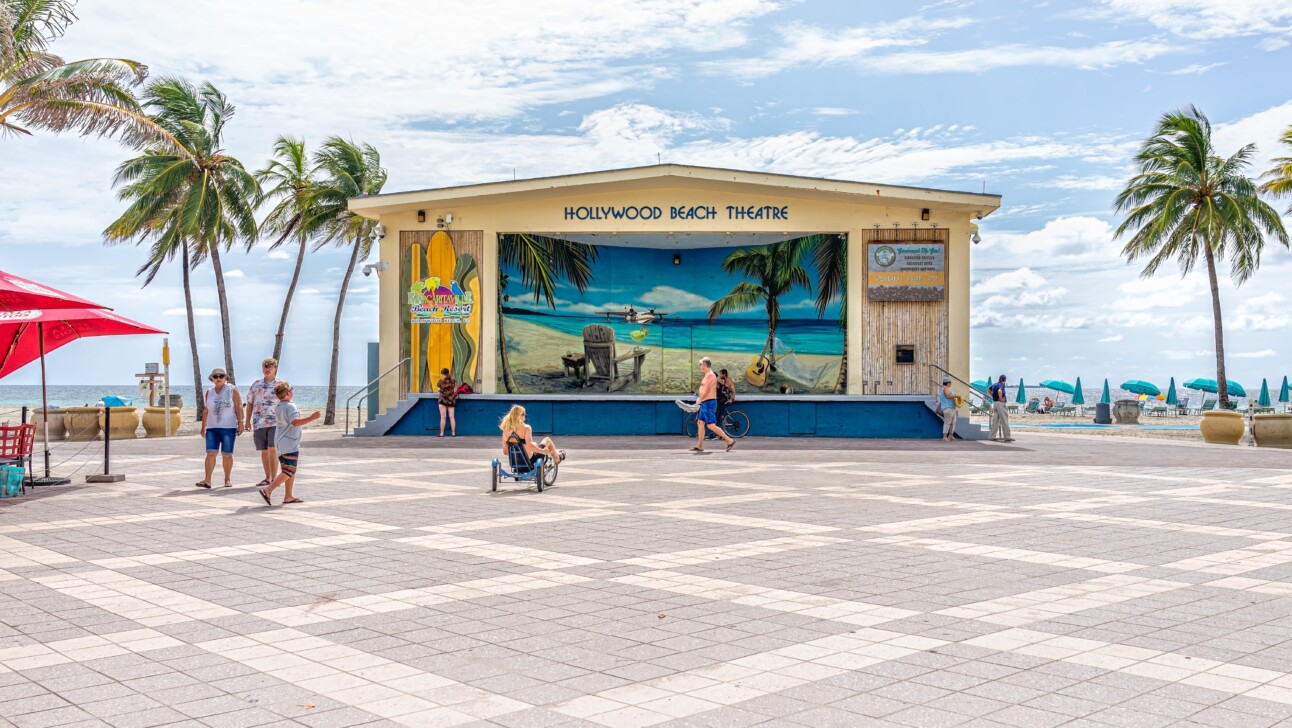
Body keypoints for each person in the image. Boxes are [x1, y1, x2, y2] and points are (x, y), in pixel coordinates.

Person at [258, 381, 320, 506]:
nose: (292, 390)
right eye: (291, 389)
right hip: (288, 443)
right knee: (289, 470)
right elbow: (295, 422)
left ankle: (288, 496)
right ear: (288, 393)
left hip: (281, 442)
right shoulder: (290, 406)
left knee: (288, 470)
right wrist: (312, 418)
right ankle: (268, 490)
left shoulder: (279, 405)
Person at [197, 367, 243, 488]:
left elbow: (238, 406)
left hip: (229, 427)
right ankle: (207, 480)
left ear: (225, 378)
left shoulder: (232, 390)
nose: (218, 378)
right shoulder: (209, 392)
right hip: (212, 428)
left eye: (221, 376)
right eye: (215, 376)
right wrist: (203, 427)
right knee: (211, 453)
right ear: (212, 379)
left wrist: (241, 422)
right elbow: (206, 410)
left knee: (227, 455)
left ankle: (227, 479)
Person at [244, 358, 280, 487]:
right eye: (265, 367)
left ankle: (274, 478)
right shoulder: (256, 384)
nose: (267, 369)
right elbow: (250, 403)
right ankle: (267, 478)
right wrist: (247, 421)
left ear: (275, 369)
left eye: (270, 367)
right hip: (259, 422)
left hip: (276, 422)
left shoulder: (280, 384)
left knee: (272, 448)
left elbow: (287, 401)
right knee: (264, 450)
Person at [499, 405, 564, 469]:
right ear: (520, 416)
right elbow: (529, 446)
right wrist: (542, 451)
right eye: (524, 415)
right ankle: (557, 458)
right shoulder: (526, 428)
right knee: (547, 440)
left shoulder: (506, 431)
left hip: (515, 462)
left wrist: (518, 452)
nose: (525, 417)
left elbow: (505, 451)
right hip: (530, 461)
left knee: (534, 444)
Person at [693, 357, 735, 453]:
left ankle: (730, 440)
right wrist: (700, 399)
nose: (700, 366)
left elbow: (707, 390)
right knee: (700, 422)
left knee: (711, 425)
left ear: (705, 365)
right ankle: (699, 445)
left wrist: (699, 401)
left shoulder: (711, 376)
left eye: (701, 365)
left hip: (709, 403)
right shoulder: (707, 375)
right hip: (705, 402)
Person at [988, 374, 1014, 442]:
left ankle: (992, 436)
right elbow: (1000, 391)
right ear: (1005, 380)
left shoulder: (995, 384)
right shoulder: (1001, 385)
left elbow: (988, 389)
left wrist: (993, 396)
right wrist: (1000, 398)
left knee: (995, 421)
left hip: (995, 403)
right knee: (1004, 420)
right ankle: (1007, 436)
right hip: (1000, 404)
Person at [713, 368, 736, 438]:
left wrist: (731, 398)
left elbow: (727, 390)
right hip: (725, 398)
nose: (720, 375)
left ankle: (720, 433)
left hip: (727, 399)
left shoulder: (728, 380)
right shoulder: (725, 381)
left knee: (718, 414)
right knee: (721, 415)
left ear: (724, 374)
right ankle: (723, 427)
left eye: (721, 374)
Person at [437, 367, 457, 437]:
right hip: (451, 400)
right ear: (448, 373)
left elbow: (438, 387)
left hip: (443, 400)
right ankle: (453, 433)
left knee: (443, 417)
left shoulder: (440, 381)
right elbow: (455, 389)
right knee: (452, 417)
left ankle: (442, 433)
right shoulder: (453, 380)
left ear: (442, 374)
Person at [938, 377, 958, 442]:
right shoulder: (945, 388)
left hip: (952, 408)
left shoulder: (947, 389)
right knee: (947, 422)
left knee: (953, 422)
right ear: (948, 383)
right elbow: (948, 396)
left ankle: (951, 435)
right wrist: (955, 396)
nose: (951, 383)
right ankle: (944, 437)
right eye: (950, 382)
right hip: (948, 408)